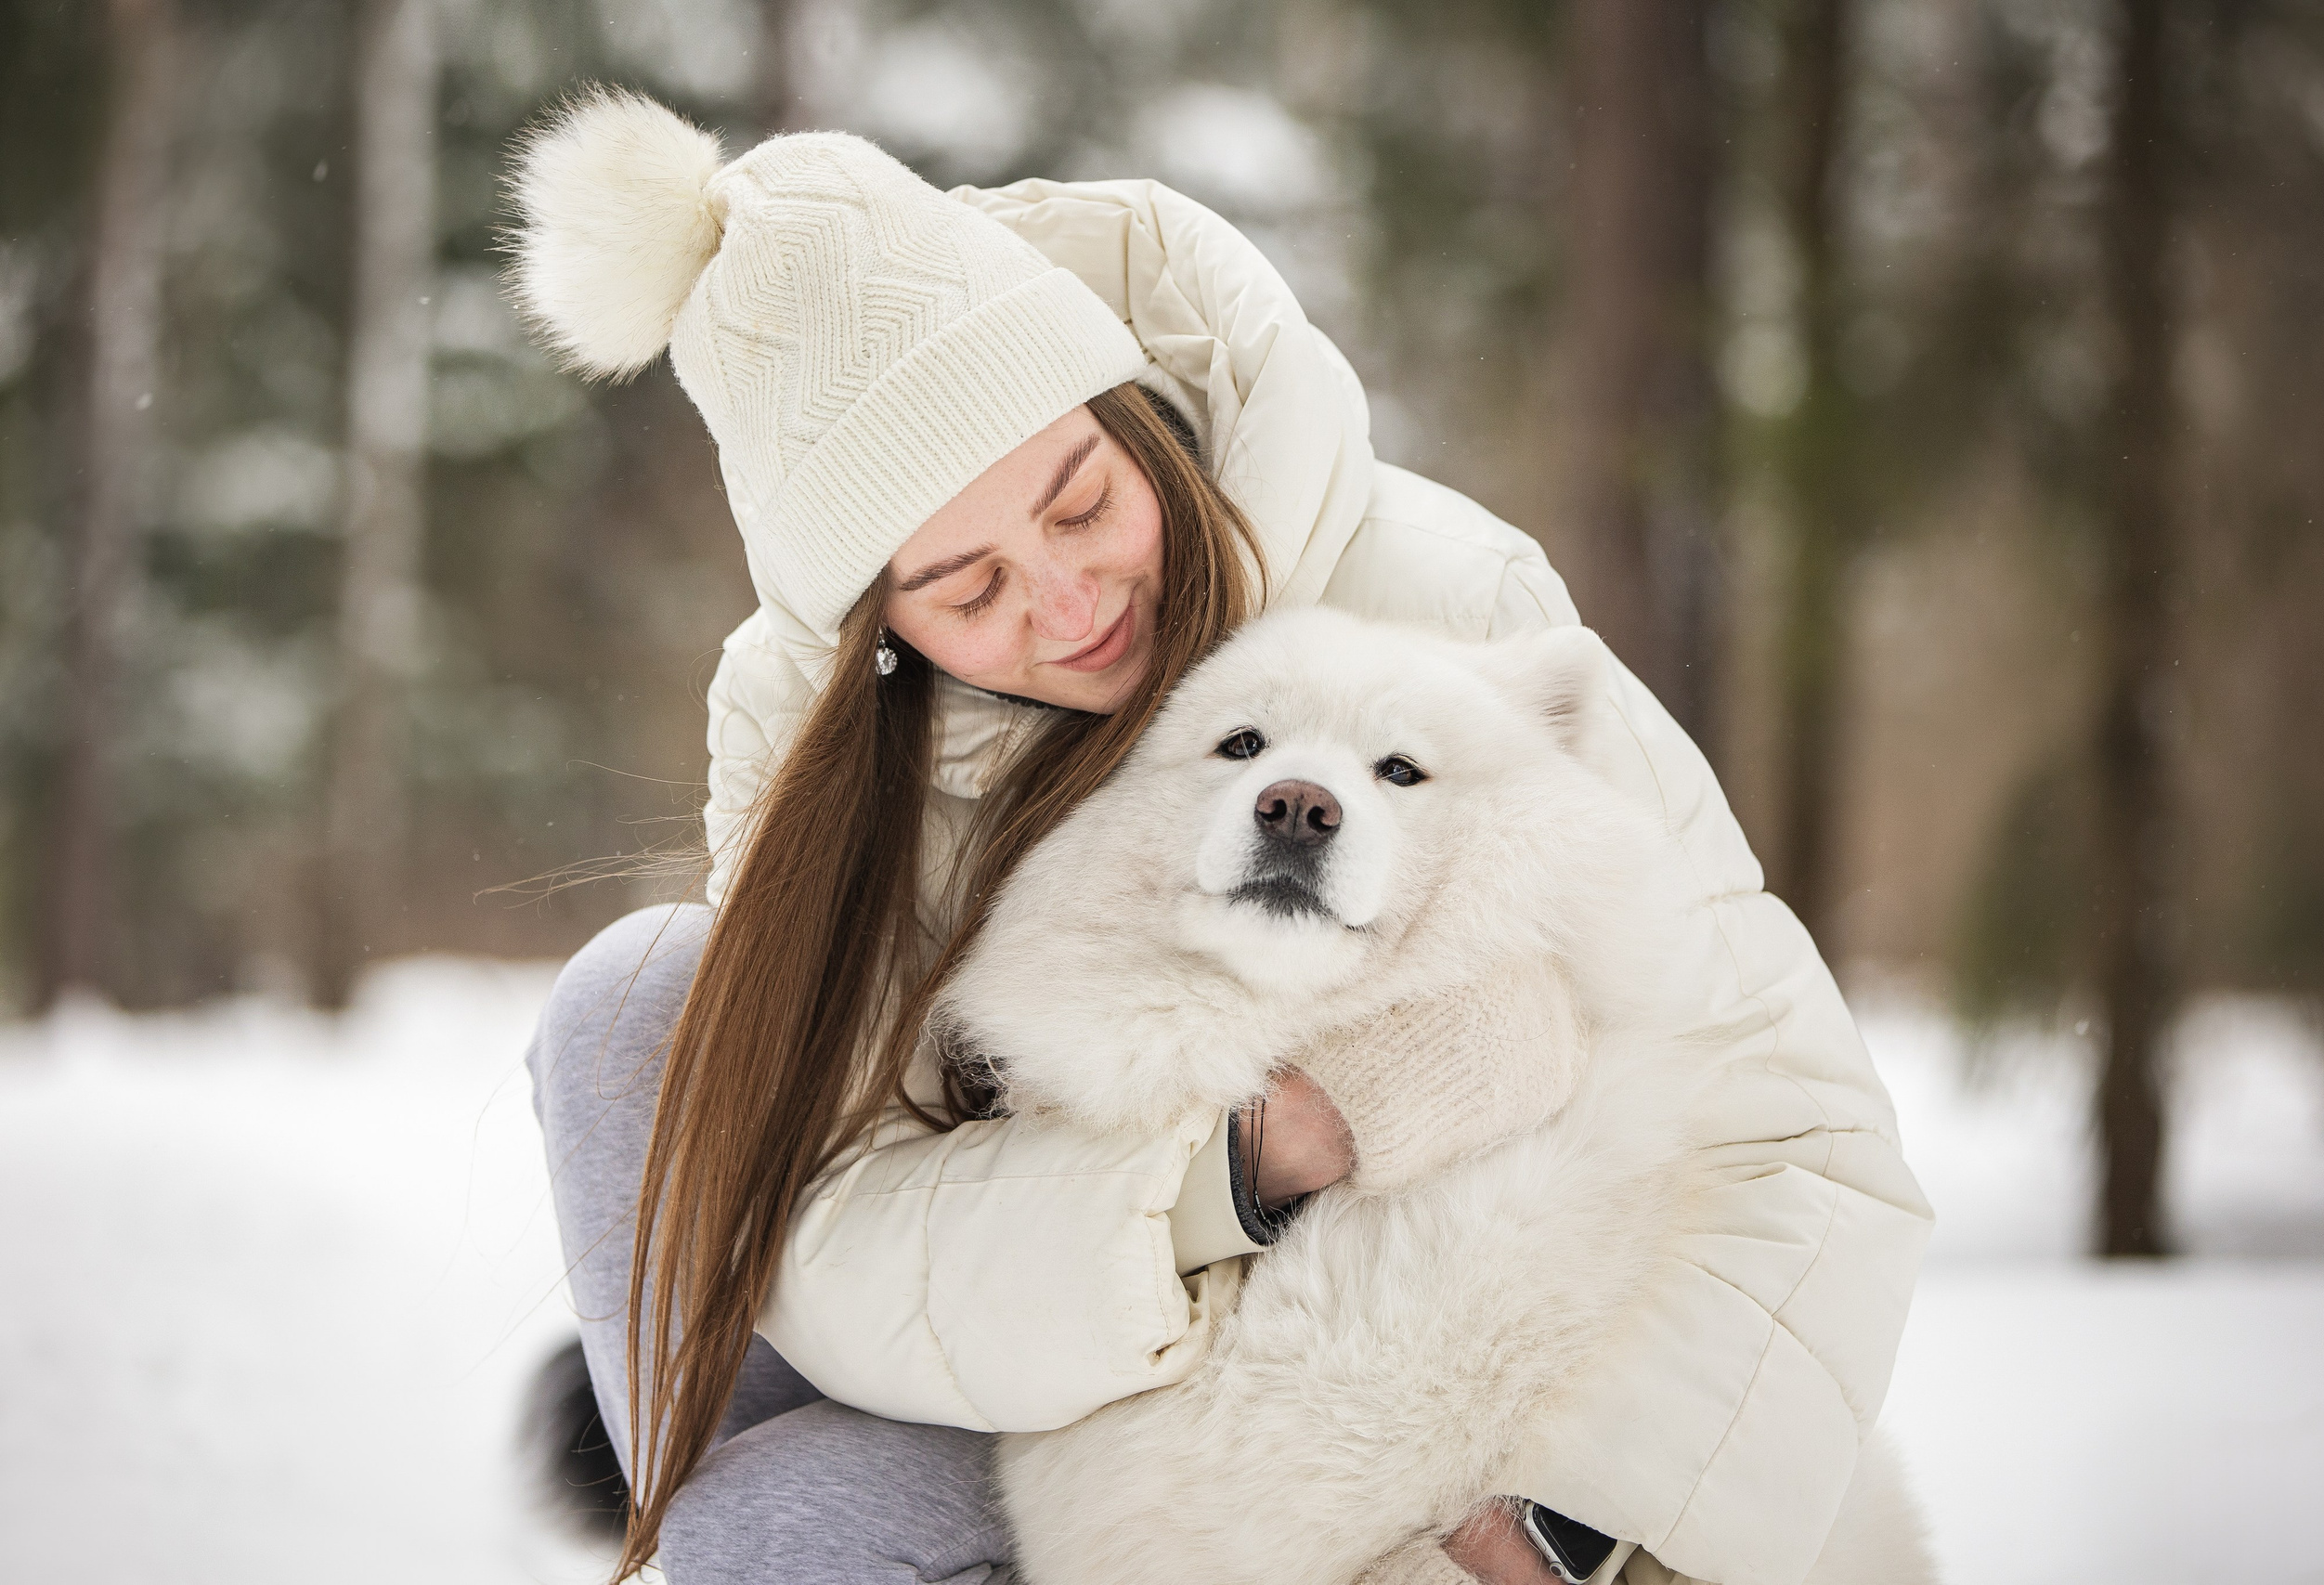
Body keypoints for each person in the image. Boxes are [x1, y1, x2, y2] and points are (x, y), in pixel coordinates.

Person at [515, 88, 1932, 1585]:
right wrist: (1247, 1162)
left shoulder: (1438, 596)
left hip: (1458, 1425)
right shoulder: (826, 757)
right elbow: (831, 1235)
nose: (1071, 606)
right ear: (875, 628)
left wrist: (1571, 1530)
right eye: (970, 590)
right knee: (635, 1022)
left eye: (1082, 506)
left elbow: (1801, 1132)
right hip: (1071, 1369)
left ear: (1134, 416)